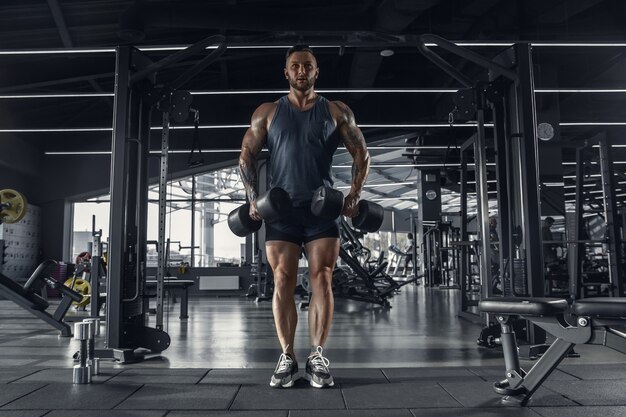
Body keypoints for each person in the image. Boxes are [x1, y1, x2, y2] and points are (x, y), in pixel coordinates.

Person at [238, 45, 370, 389]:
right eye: (295, 66)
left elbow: (361, 152)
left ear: (316, 72)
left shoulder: (336, 110)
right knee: (282, 278)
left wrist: (354, 194)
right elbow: (246, 156)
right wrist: (252, 198)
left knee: (322, 277)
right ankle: (286, 357)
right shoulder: (267, 112)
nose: (301, 71)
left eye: (307, 66)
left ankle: (317, 356)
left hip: (321, 207)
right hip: (280, 209)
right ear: (286, 72)